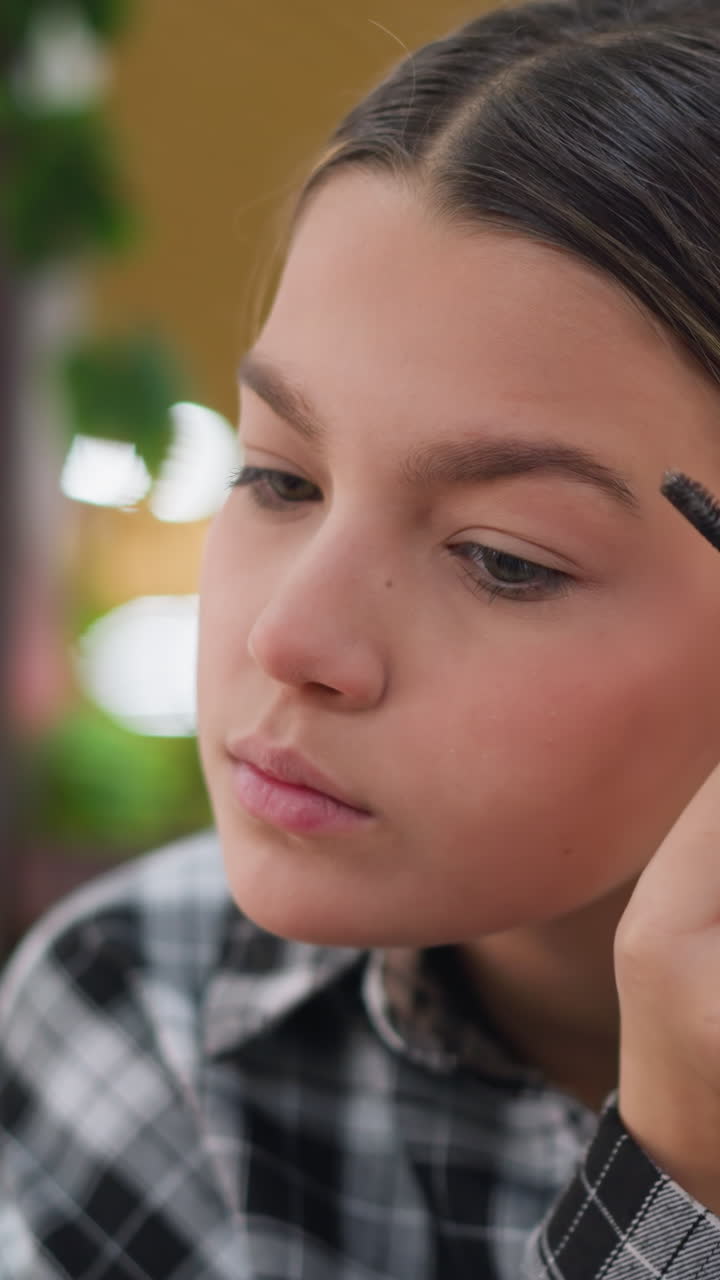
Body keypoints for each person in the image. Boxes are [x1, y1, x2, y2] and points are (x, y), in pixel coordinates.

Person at [4, 0, 720, 1273]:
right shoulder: (141, 1009)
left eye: (505, 559)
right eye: (278, 476)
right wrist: (678, 1189)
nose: (291, 636)